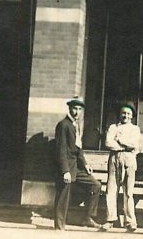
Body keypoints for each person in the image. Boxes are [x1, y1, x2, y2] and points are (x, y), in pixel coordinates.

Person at [54, 96, 101, 231]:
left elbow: (78, 148)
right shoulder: (63, 125)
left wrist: (85, 164)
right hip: (67, 168)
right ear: (70, 108)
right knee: (63, 197)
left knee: (96, 186)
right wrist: (65, 171)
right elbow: (61, 149)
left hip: (76, 167)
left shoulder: (76, 125)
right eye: (75, 108)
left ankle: (88, 217)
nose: (77, 112)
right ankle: (59, 226)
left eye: (80, 109)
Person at [101, 102, 143, 232]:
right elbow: (108, 142)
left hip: (129, 160)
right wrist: (124, 146)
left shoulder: (135, 129)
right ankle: (110, 219)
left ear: (132, 116)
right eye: (123, 113)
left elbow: (134, 145)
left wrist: (119, 140)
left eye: (128, 113)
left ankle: (130, 221)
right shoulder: (113, 127)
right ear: (120, 114)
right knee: (111, 190)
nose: (125, 116)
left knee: (128, 192)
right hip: (114, 158)